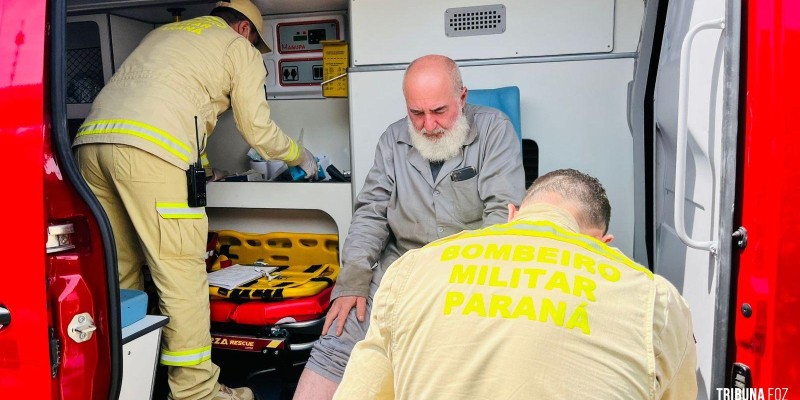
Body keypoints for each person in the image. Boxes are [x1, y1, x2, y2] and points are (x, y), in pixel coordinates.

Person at [72, 1, 318, 399]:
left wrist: (204, 168)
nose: (255, 51)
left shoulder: (164, 35)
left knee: (122, 273)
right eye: (257, 43)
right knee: (181, 274)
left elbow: (180, 110)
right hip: (151, 156)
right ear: (244, 30)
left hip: (89, 147)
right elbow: (257, 129)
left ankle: (127, 380)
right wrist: (300, 156)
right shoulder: (237, 49)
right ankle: (196, 393)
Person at [332, 168, 698, 400]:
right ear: (602, 244)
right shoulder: (656, 301)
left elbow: (360, 392)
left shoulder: (413, 269)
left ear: (511, 215)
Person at [293, 54, 526, 399]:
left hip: (467, 275)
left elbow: (502, 217)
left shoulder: (495, 130)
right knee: (338, 334)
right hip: (398, 270)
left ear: (462, 98)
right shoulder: (392, 140)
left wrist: (463, 291)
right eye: (417, 114)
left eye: (439, 112)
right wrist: (354, 279)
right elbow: (370, 213)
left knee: (457, 362)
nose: (428, 126)